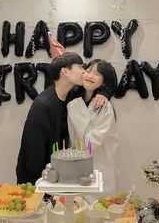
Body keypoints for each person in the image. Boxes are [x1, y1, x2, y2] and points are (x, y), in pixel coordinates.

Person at [16, 53, 110, 185]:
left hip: (61, 176)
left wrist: (104, 93)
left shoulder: (72, 97)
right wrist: (41, 183)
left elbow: (104, 83)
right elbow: (32, 150)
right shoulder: (43, 104)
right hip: (39, 180)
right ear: (65, 72)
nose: (84, 72)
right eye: (80, 67)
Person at [67, 59, 120, 201]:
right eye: (88, 71)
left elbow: (96, 140)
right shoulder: (73, 102)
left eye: (96, 74)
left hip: (101, 164)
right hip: (78, 163)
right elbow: (71, 133)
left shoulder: (105, 106)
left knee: (101, 208)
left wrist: (79, 146)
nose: (89, 76)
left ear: (104, 82)